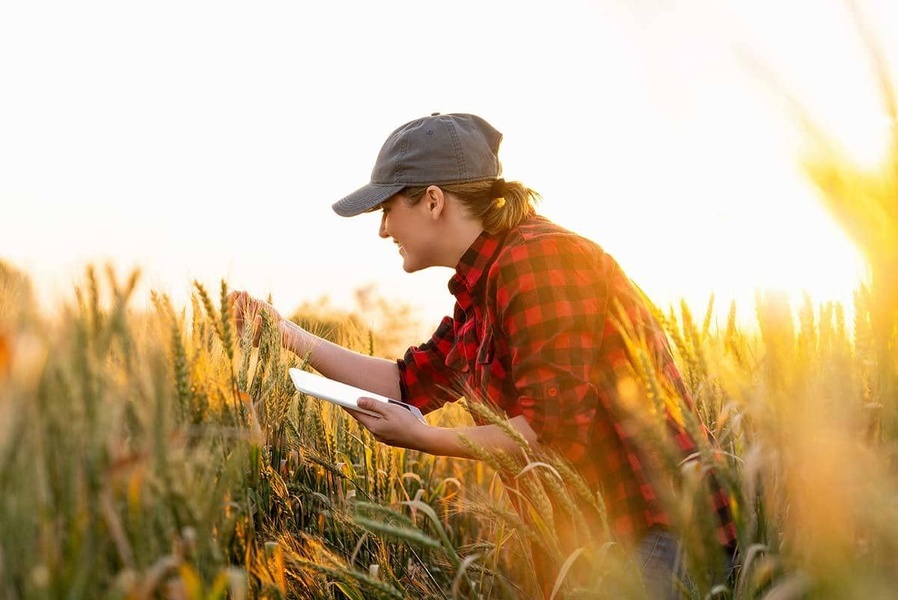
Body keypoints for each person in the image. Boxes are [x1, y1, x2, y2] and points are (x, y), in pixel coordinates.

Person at [231, 112, 737, 598]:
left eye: (387, 209)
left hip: (659, 533)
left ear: (433, 201)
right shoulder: (481, 286)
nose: (383, 230)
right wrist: (286, 334)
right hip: (604, 538)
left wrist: (424, 439)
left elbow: (550, 429)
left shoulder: (539, 260)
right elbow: (406, 383)